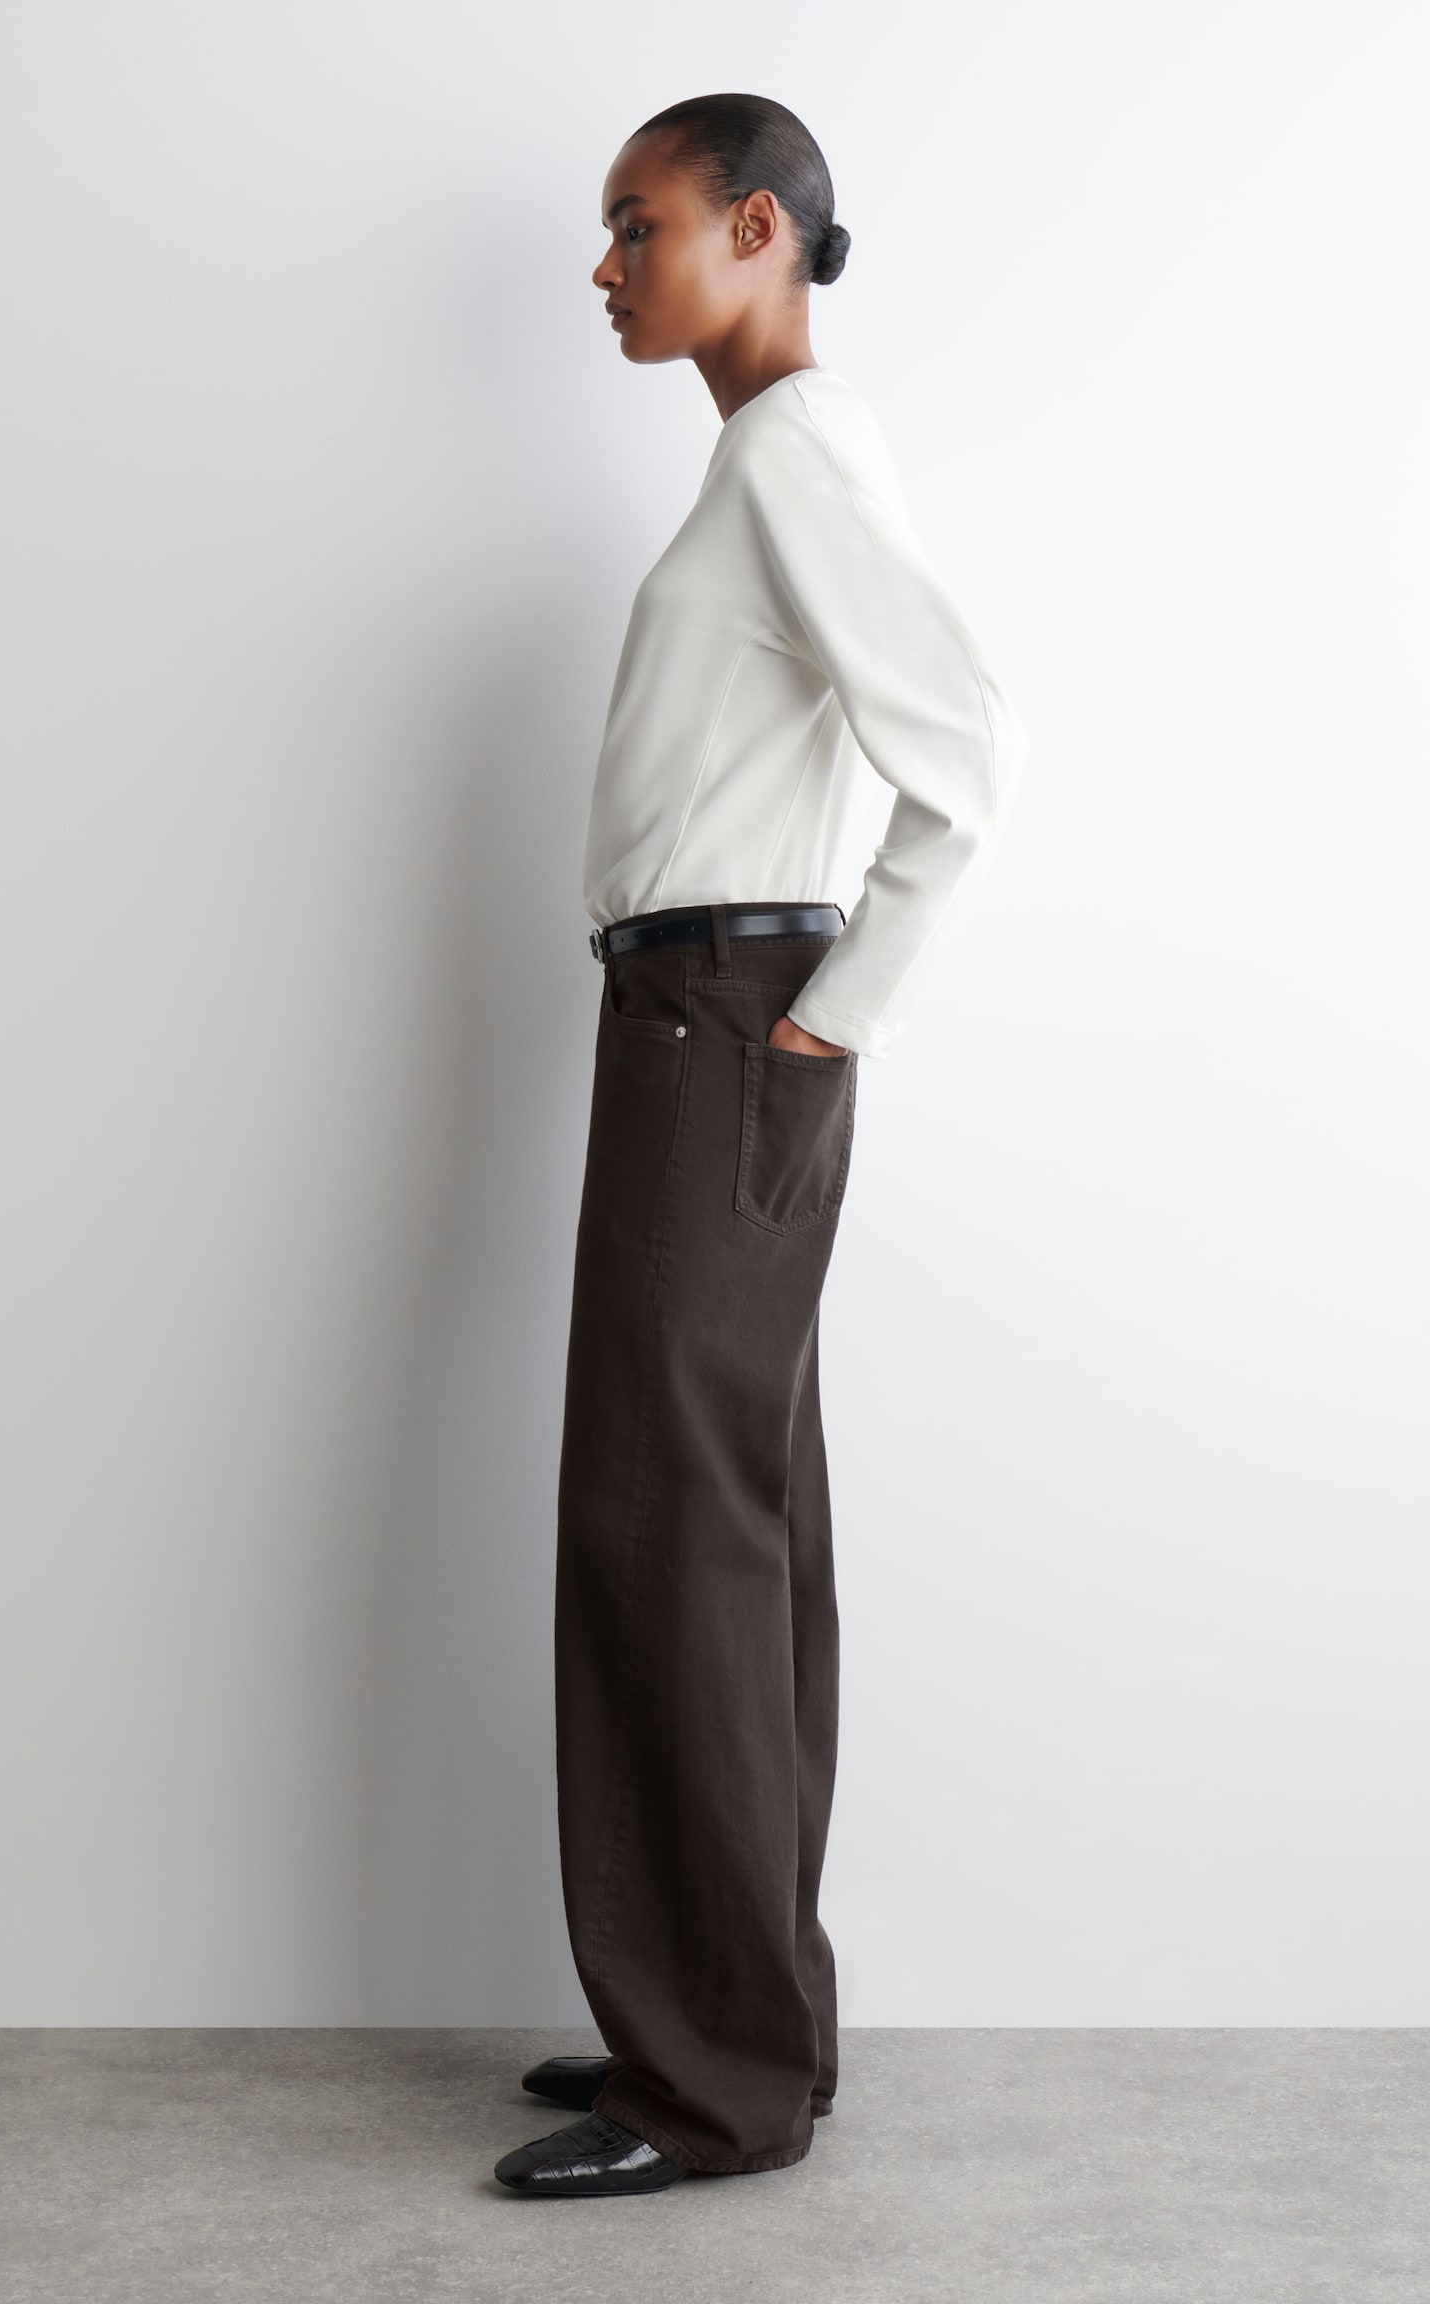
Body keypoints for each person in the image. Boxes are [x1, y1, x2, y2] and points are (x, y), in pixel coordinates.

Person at [493, 92, 1029, 2199]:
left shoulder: (794, 450)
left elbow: (968, 756)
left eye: (638, 225)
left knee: (669, 1526)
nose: (607, 266)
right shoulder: (775, 459)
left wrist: (829, 1016)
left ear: (755, 227)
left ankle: (708, 2081)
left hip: (726, 1017)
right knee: (737, 1522)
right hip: (725, 1014)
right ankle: (741, 2024)